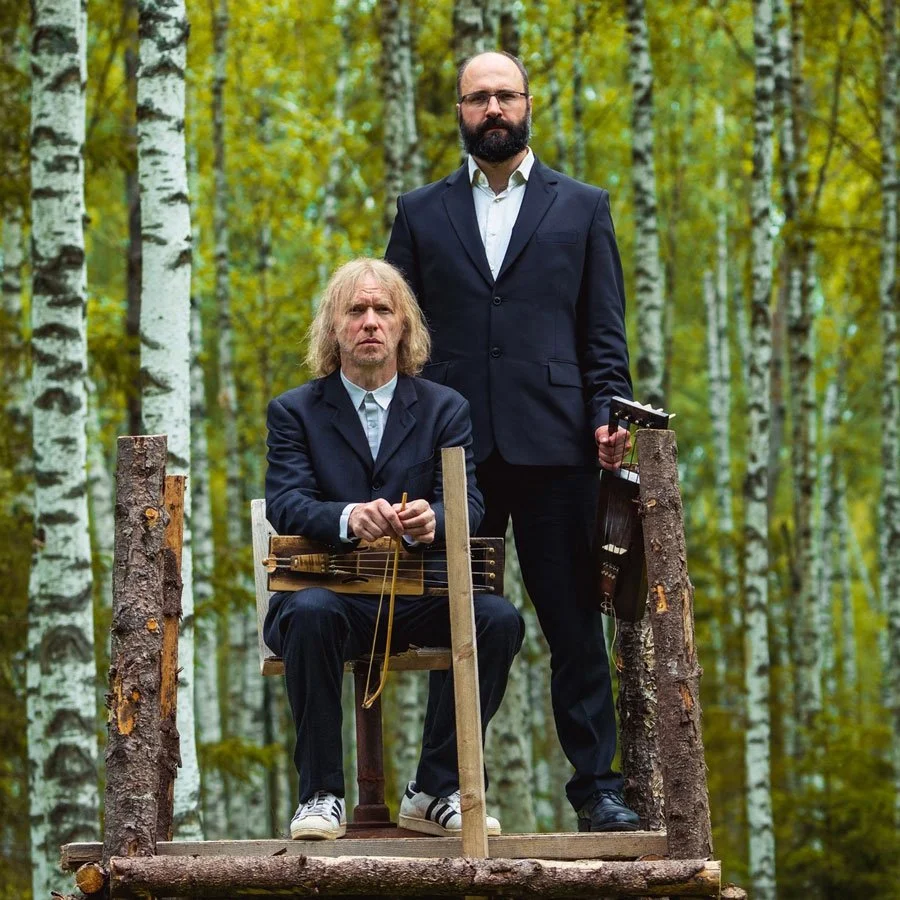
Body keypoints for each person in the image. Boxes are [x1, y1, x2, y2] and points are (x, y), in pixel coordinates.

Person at [385, 51, 640, 832]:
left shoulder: (584, 207)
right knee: (459, 617)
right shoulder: (420, 213)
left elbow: (604, 335)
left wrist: (608, 415)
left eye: (505, 95)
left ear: (528, 104)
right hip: (452, 456)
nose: (492, 108)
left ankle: (598, 791)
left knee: (573, 625)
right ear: (459, 111)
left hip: (559, 448)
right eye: (478, 98)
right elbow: (396, 338)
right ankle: (439, 787)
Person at [264, 257, 523, 840]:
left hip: (418, 595)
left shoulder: (445, 408)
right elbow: (286, 501)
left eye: (383, 309)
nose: (370, 322)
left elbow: (468, 504)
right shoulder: (294, 411)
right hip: (328, 596)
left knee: (498, 620)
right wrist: (349, 516)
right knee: (309, 612)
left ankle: (433, 790)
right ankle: (320, 795)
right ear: (333, 327)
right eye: (355, 310)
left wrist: (433, 518)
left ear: (404, 326)